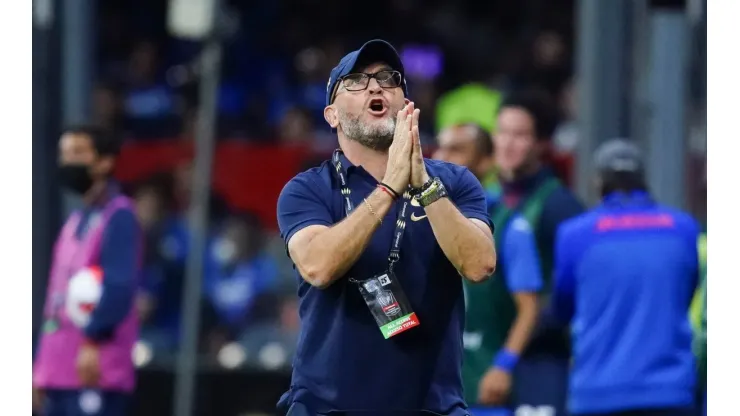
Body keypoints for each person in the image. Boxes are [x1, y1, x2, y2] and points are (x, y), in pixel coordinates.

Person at [276, 39, 496, 415]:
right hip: (328, 407)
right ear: (331, 114)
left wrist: (424, 186)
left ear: (406, 106)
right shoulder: (308, 189)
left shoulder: (454, 183)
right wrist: (389, 188)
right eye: (357, 81)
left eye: (388, 79)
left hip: (430, 406)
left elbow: (479, 265)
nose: (376, 86)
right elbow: (318, 265)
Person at [552, 139, 699, 416]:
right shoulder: (684, 228)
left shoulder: (574, 234)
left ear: (598, 182)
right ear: (643, 179)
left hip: (597, 393)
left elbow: (563, 308)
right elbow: (684, 294)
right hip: (670, 392)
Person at [33, 126, 142, 416]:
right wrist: (40, 368)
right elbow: (56, 300)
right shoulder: (75, 220)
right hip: (57, 372)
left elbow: (119, 287)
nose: (68, 162)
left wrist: (93, 340)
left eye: (78, 153)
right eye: (64, 154)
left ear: (105, 161)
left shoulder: (119, 216)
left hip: (94, 370)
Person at [434, 124, 542, 416]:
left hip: (482, 387)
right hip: (426, 389)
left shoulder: (509, 224)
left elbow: (529, 307)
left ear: (486, 163)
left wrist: (503, 367)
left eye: (456, 149)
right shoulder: (416, 219)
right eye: (440, 147)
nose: (441, 157)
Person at [492, 91, 584, 415]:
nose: (507, 143)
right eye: (502, 132)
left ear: (541, 144)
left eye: (519, 135)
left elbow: (581, 280)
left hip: (543, 359)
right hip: (493, 352)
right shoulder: (491, 198)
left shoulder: (560, 206)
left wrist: (543, 319)